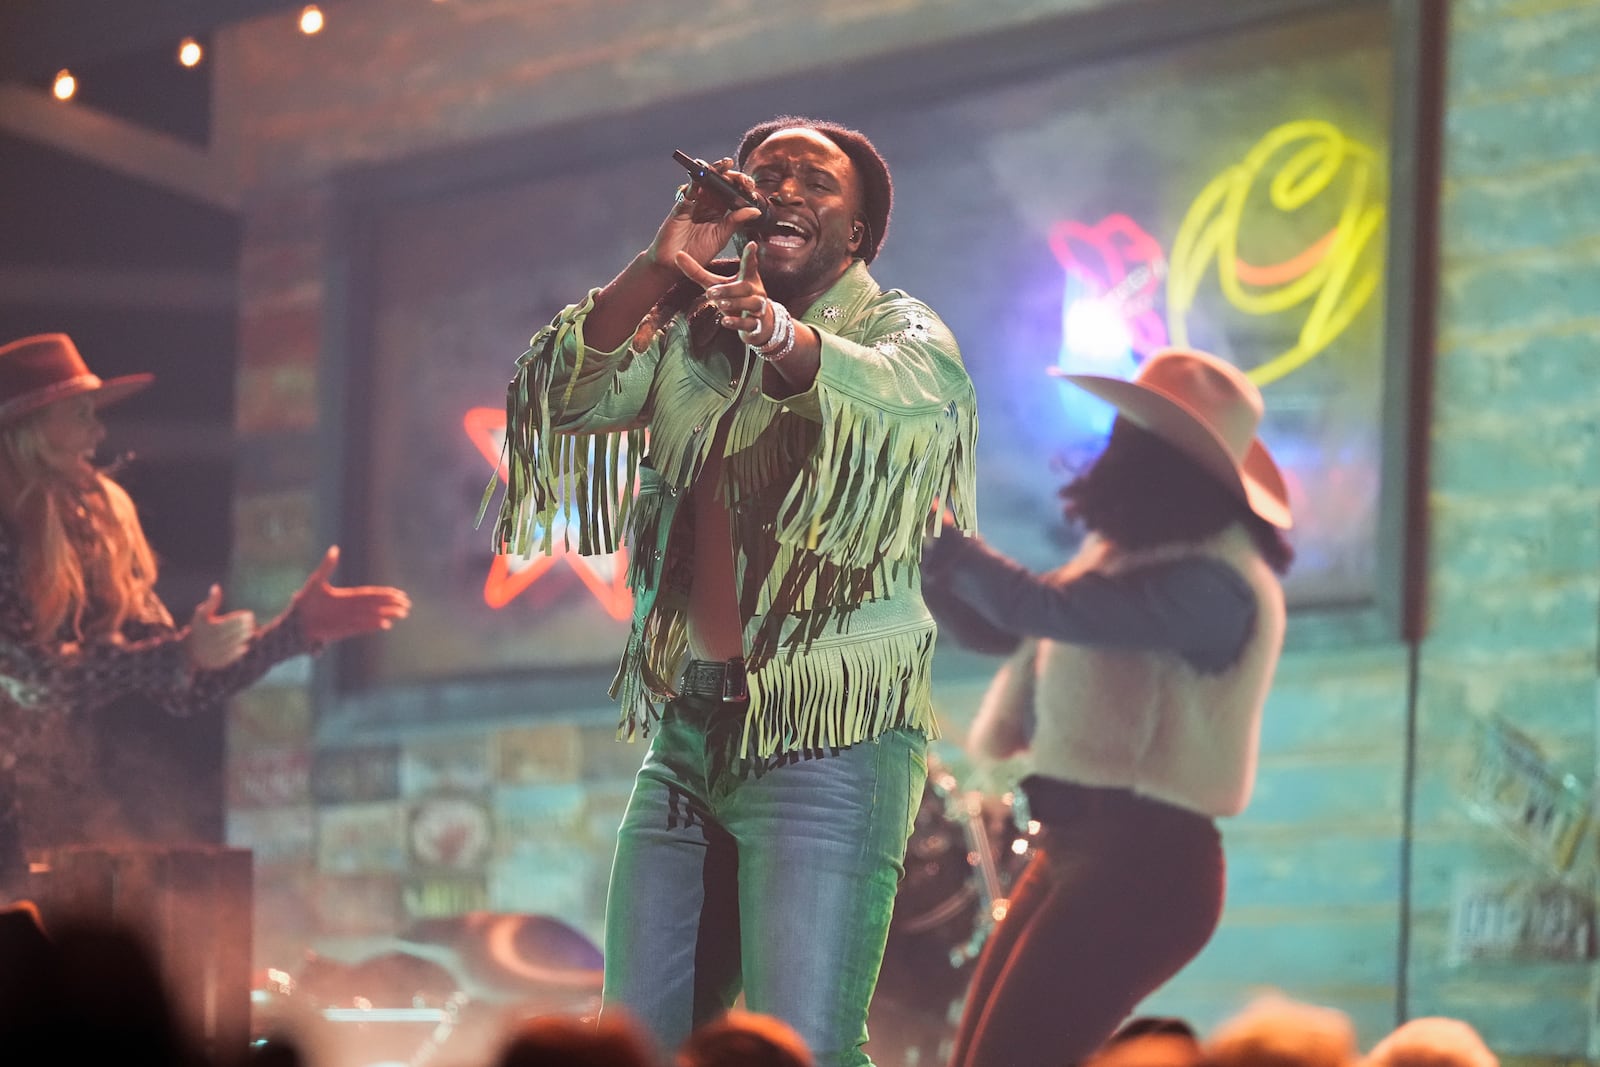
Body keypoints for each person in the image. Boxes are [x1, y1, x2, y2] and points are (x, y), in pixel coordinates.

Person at [483, 116, 977, 1066]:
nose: (787, 187)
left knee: (805, 1046)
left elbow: (905, 406)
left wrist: (784, 336)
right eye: (768, 173)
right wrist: (658, 268)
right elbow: (560, 400)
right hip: (690, 733)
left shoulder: (899, 328)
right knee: (635, 1041)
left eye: (816, 180)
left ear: (860, 232)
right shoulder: (690, 337)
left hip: (829, 734)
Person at [919, 347, 1295, 1067]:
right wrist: (926, 559)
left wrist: (937, 535)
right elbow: (1007, 626)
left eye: (1131, 434)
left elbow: (1042, 609)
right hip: (1085, 848)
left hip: (1144, 864)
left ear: (1159, 462)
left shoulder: (1219, 584)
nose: (1110, 445)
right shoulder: (1124, 558)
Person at [0, 331, 412, 899]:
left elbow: (177, 686)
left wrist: (292, 633)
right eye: (79, 415)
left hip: (68, 820)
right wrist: (176, 656)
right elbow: (35, 679)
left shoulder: (99, 525)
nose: (98, 432)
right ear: (28, 432)